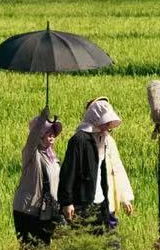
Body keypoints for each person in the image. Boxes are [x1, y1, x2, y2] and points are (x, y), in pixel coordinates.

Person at [56, 97, 135, 230]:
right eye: (105, 122)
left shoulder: (104, 140)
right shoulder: (79, 140)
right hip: (83, 203)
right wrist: (67, 202)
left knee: (107, 239)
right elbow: (68, 172)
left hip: (101, 202)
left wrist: (123, 197)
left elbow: (115, 169)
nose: (107, 127)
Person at [11, 110, 63, 246]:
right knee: (30, 249)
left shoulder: (52, 157)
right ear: (39, 134)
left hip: (45, 211)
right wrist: (42, 120)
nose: (52, 135)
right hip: (28, 211)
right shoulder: (32, 154)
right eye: (47, 132)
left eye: (53, 132)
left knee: (44, 248)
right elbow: (31, 141)